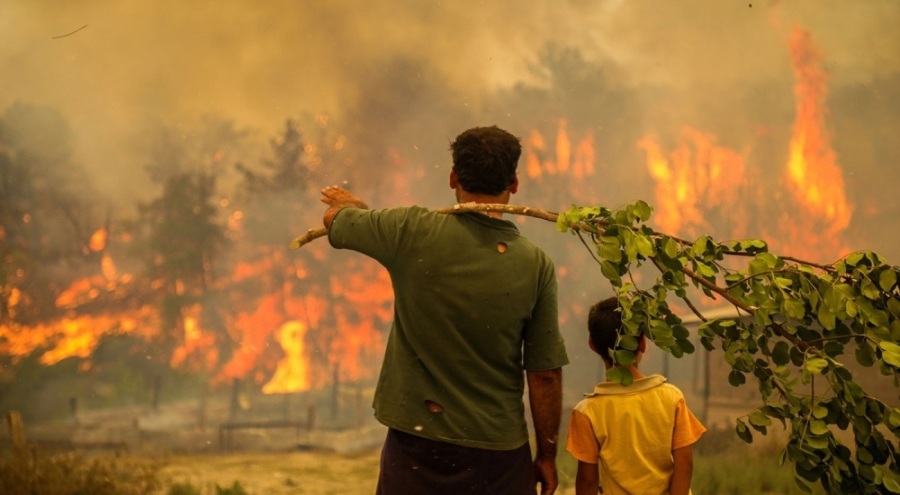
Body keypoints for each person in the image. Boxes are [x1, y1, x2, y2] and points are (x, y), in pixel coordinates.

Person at [320, 125, 569, 495]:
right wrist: (547, 456)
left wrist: (352, 209)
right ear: (514, 183)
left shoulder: (408, 231)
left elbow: (334, 221)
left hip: (417, 448)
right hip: (498, 456)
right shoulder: (535, 265)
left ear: (453, 177)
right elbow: (544, 374)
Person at [565, 297, 706, 495]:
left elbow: (588, 480)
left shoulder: (587, 412)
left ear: (593, 346)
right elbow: (685, 463)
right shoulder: (671, 397)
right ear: (643, 344)